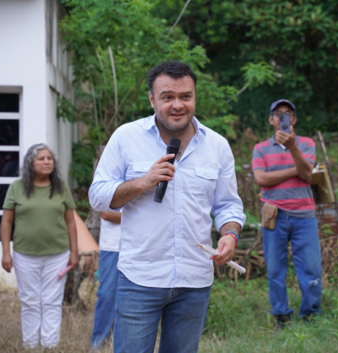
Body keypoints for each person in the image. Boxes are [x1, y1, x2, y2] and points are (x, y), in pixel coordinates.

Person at [89, 60, 245, 353]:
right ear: (152, 99)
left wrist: (230, 235)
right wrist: (143, 182)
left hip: (194, 281)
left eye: (185, 96)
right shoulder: (126, 137)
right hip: (140, 278)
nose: (178, 105)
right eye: (168, 97)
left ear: (195, 97)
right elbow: (97, 196)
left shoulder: (217, 146)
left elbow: (228, 207)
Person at [0, 144, 79, 349]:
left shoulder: (61, 187)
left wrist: (74, 252)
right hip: (24, 255)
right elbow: (7, 222)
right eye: (41, 158)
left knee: (52, 301)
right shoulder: (16, 187)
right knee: (30, 302)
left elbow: (71, 222)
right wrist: (6, 253)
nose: (47, 162)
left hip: (58, 255)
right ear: (30, 163)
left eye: (49, 158)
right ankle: (30, 346)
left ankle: (49, 346)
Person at [252, 99, 322, 328]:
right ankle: (281, 315)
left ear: (294, 119)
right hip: (273, 215)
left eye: (288, 114)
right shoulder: (260, 148)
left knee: (311, 267)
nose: (283, 117)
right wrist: (298, 171)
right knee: (274, 268)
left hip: (304, 215)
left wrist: (292, 147)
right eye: (278, 114)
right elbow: (261, 179)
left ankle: (310, 314)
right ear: (271, 120)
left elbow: (307, 173)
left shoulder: (306, 143)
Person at [90, 210, 121, 350]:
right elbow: (107, 214)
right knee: (107, 295)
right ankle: (98, 345)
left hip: (143, 247)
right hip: (113, 247)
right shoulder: (108, 186)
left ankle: (118, 344)